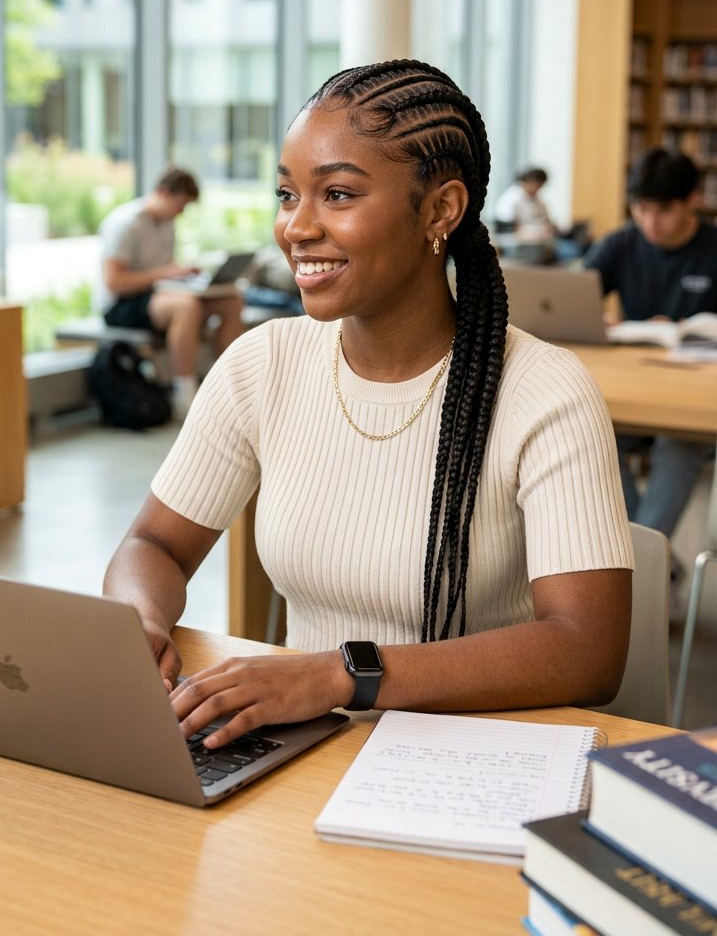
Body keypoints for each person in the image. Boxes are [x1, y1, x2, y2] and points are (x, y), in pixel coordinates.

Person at [104, 60, 632, 750]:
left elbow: (588, 651)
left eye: (338, 195)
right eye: (287, 194)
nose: (296, 226)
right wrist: (138, 620)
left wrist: (342, 676)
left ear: (441, 210)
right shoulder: (262, 365)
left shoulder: (543, 390)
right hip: (299, 748)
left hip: (475, 761)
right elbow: (153, 545)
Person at [584, 148, 717, 559]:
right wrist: (596, 320)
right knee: (592, 435)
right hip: (636, 389)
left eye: (662, 210)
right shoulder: (621, 243)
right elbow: (574, 300)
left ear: (693, 199)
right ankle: (655, 565)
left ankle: (641, 565)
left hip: (697, 401)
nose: (649, 222)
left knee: (680, 444)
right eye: (640, 209)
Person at [97, 166, 243, 420]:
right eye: (180, 204)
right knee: (187, 306)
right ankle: (183, 393)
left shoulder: (167, 225)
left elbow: (163, 272)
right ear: (163, 192)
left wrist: (183, 275)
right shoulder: (126, 223)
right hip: (121, 305)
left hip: (157, 296)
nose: (181, 212)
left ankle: (228, 384)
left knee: (231, 300)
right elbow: (114, 282)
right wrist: (165, 273)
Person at [494, 167, 555, 239]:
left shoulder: (537, 199)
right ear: (530, 181)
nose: (539, 189)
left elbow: (546, 220)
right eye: (538, 186)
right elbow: (504, 227)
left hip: (537, 241)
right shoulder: (512, 197)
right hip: (514, 242)